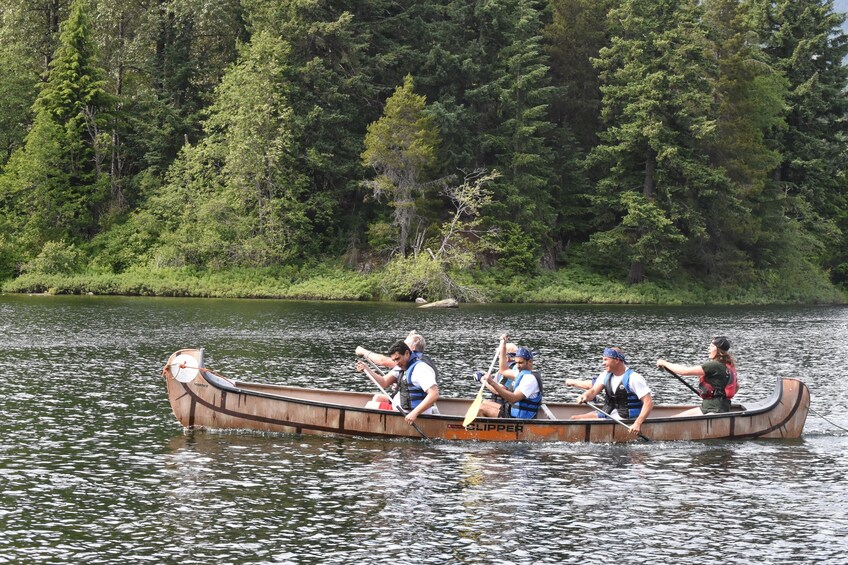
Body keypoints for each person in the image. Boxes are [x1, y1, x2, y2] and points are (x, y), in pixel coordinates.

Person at [573, 347, 653, 437]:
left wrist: (637, 423)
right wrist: (584, 396)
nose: (603, 363)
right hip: (608, 414)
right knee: (574, 418)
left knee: (578, 420)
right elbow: (593, 391)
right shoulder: (605, 375)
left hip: (625, 418)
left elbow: (648, 402)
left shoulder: (634, 378)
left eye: (606, 360)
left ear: (617, 360)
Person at [358, 340, 439, 425]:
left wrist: (414, 413)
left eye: (398, 359)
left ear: (407, 353)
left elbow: (434, 394)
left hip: (411, 414)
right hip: (403, 409)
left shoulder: (420, 369)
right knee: (377, 398)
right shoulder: (401, 366)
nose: (396, 363)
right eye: (394, 360)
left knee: (370, 405)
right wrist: (367, 370)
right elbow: (384, 382)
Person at [657, 335, 738, 414]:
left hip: (712, 409)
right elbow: (736, 386)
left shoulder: (714, 365)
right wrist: (721, 397)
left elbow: (684, 371)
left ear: (719, 351)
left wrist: (664, 363)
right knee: (675, 418)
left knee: (674, 420)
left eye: (712, 346)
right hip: (719, 407)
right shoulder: (728, 366)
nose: (709, 349)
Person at [478, 334, 543, 419]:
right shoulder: (522, 373)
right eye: (516, 362)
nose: (517, 366)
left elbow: (514, 398)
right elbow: (503, 370)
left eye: (520, 363)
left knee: (481, 409)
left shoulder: (530, 379)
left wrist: (492, 383)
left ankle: (485, 432)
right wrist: (503, 345)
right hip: (512, 411)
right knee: (483, 403)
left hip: (519, 419)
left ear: (529, 362)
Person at [475, 341, 518, 417]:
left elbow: (498, 391)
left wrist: (482, 380)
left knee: (479, 408)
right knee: (483, 402)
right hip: (504, 404)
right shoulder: (509, 368)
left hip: (506, 407)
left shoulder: (510, 370)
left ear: (507, 358)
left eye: (500, 355)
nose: (498, 357)